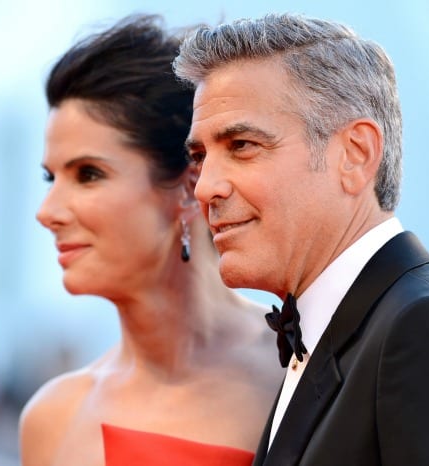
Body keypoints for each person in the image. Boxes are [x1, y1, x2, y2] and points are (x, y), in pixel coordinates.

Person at [173, 12, 429, 466]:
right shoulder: (347, 330)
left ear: (355, 155)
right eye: (200, 155)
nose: (204, 187)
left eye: (242, 145)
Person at [19, 14, 283, 466]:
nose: (47, 212)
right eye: (49, 177)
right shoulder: (52, 419)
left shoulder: (303, 369)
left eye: (88, 174)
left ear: (187, 186)